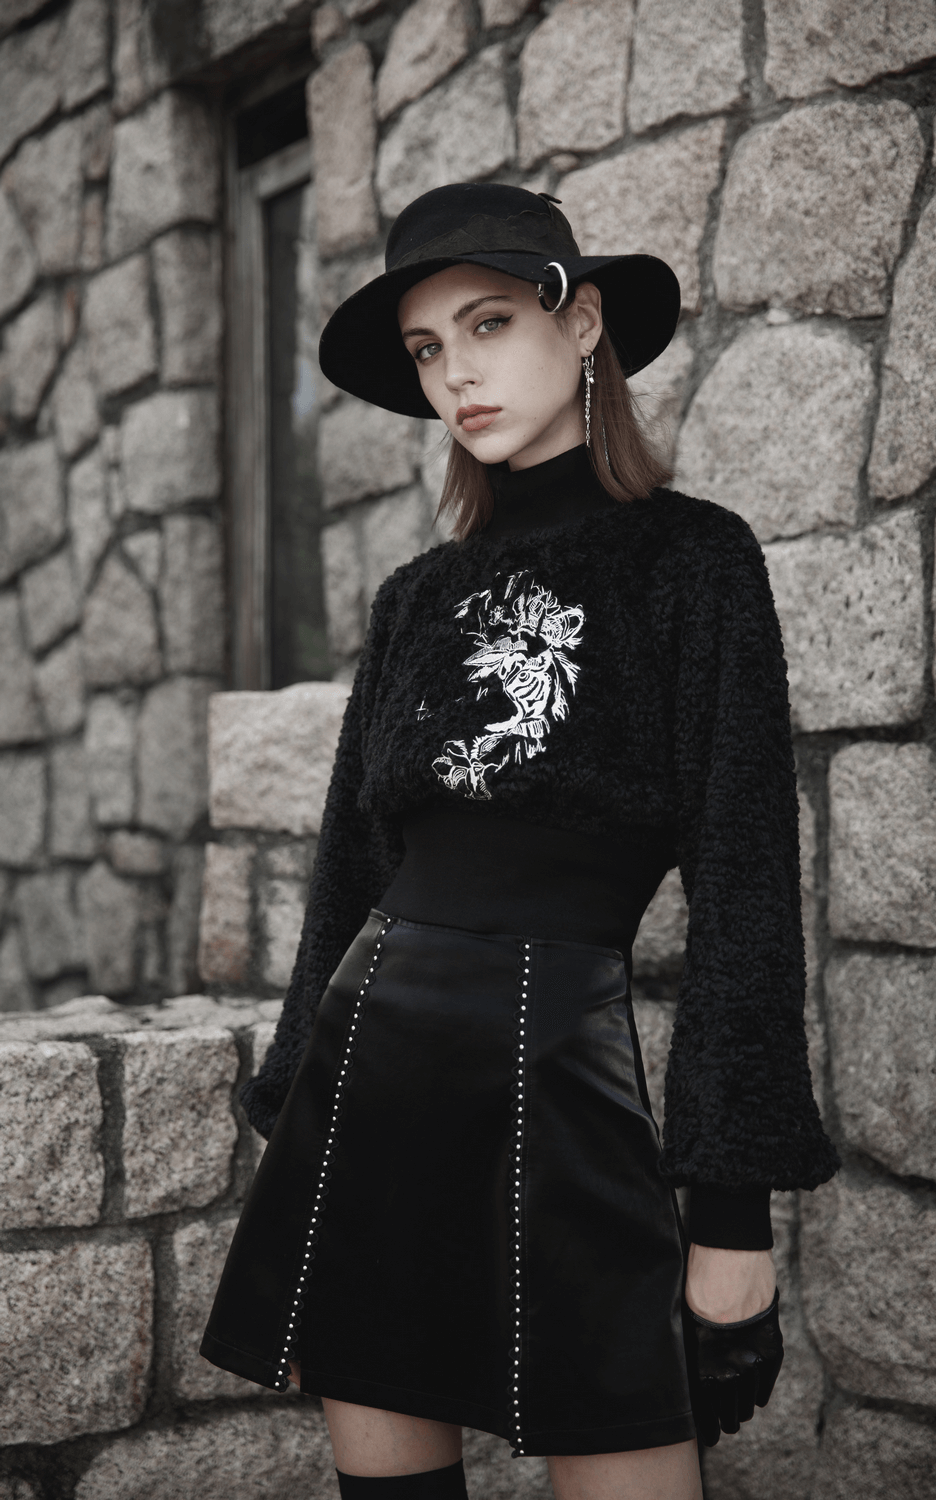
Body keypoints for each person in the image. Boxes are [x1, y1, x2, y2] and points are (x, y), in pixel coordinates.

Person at [201, 182, 839, 1500]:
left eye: (487, 323)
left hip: (566, 1077)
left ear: (584, 319)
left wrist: (730, 1215)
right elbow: (350, 873)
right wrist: (290, 1115)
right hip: (372, 1082)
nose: (457, 375)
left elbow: (744, 890)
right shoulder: (415, 597)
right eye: (430, 350)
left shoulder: (695, 564)